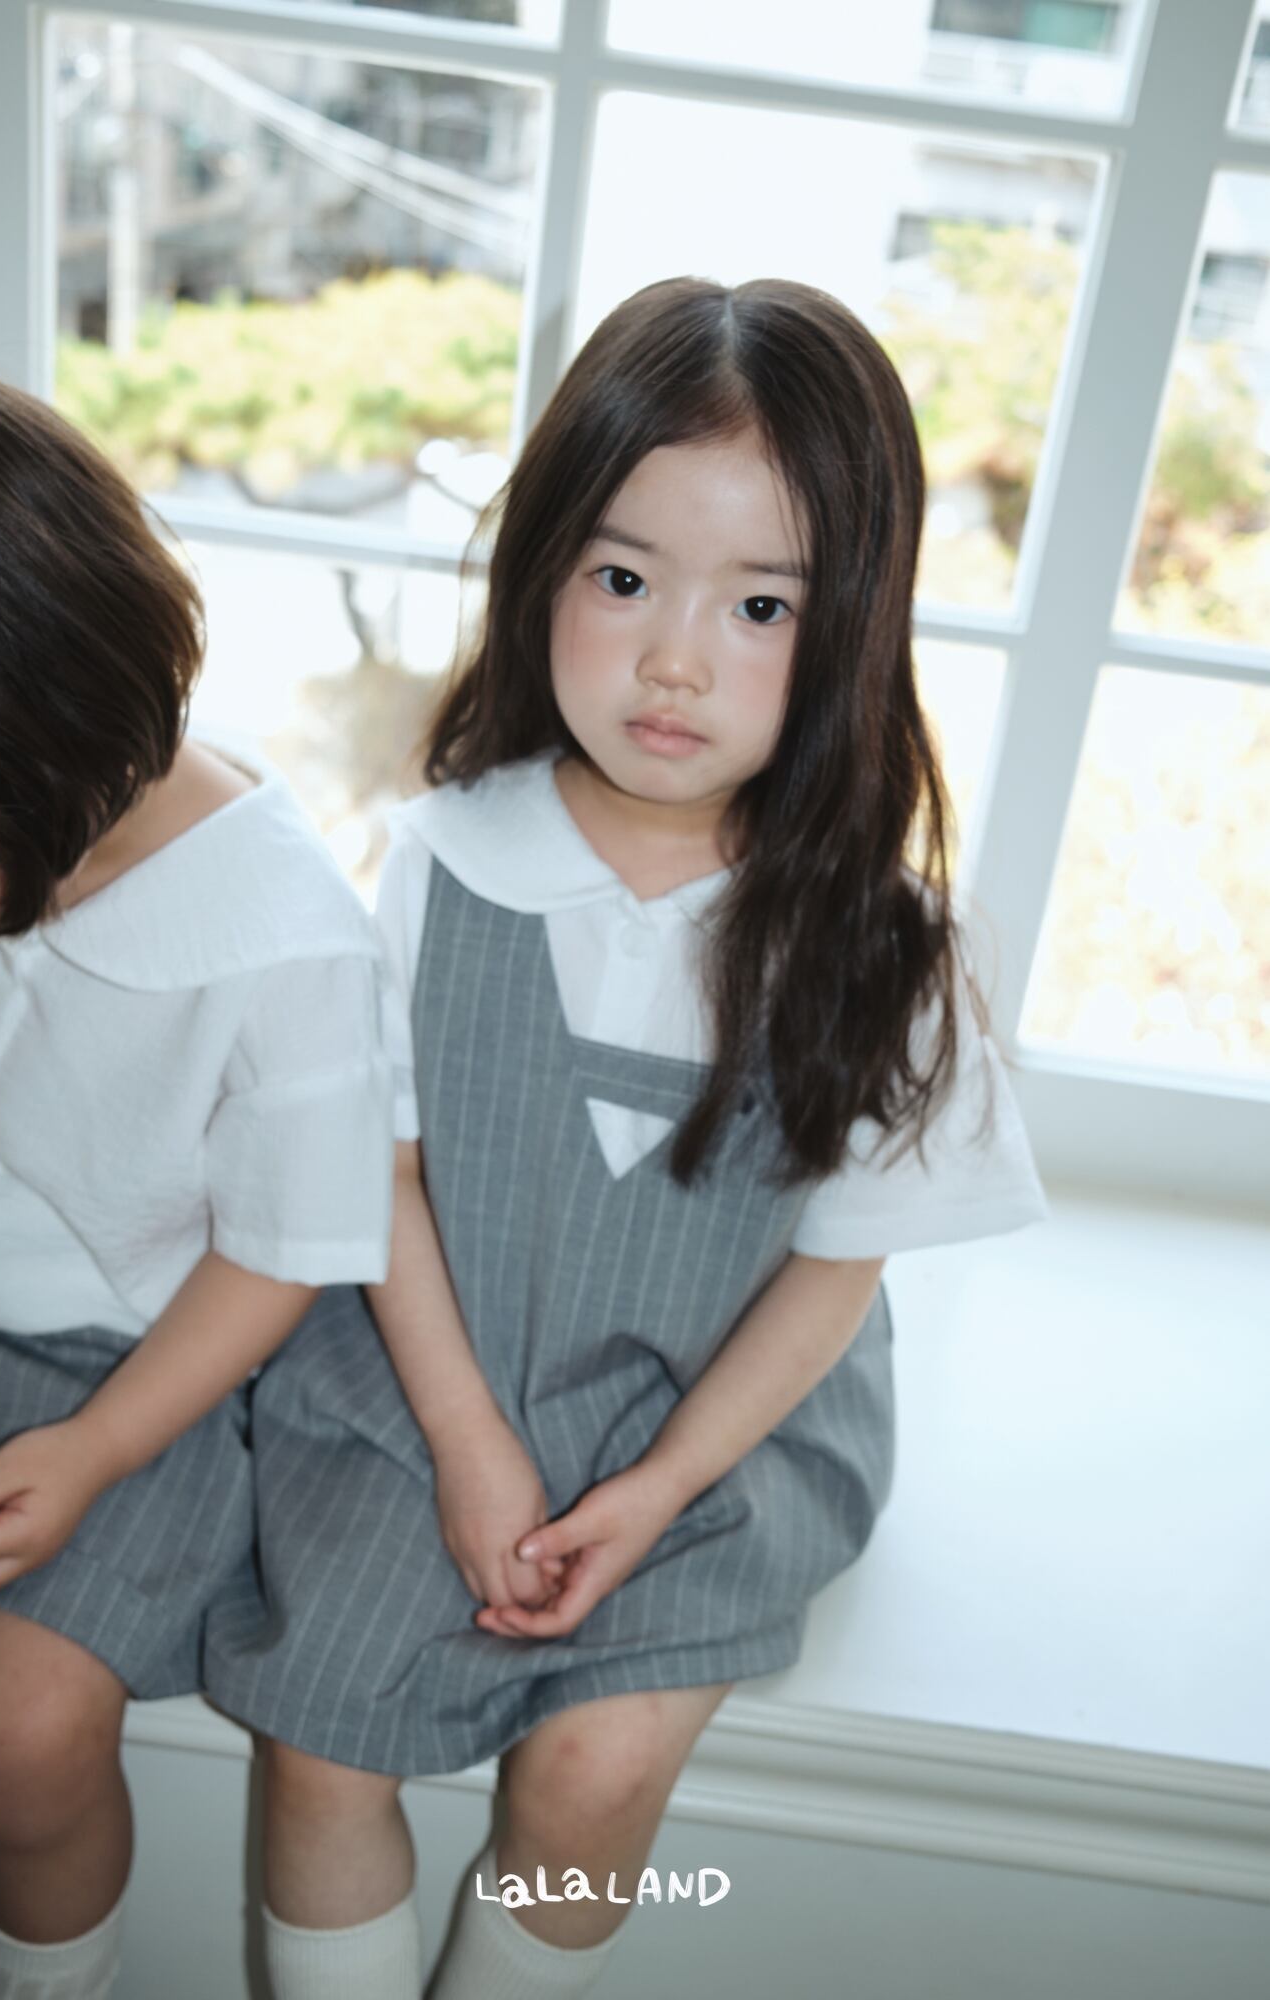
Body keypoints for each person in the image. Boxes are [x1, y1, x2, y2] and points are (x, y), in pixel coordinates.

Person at [204, 276, 1048, 2000]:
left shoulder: (884, 945)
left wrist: (655, 1488)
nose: (675, 658)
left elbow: (831, 1279)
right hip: (432, 1379)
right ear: (540, 574)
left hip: (721, 1427)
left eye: (760, 605)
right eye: (622, 579)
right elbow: (388, 1175)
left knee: (591, 1769)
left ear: (853, 626)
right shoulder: (443, 861)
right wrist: (468, 1446)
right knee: (320, 1740)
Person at [0, 367, 394, 2000]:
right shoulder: (2, 828)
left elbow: (280, 1254)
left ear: (47, 750)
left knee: (17, 1730)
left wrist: (95, 1448)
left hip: (135, 1371)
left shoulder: (283, 945)